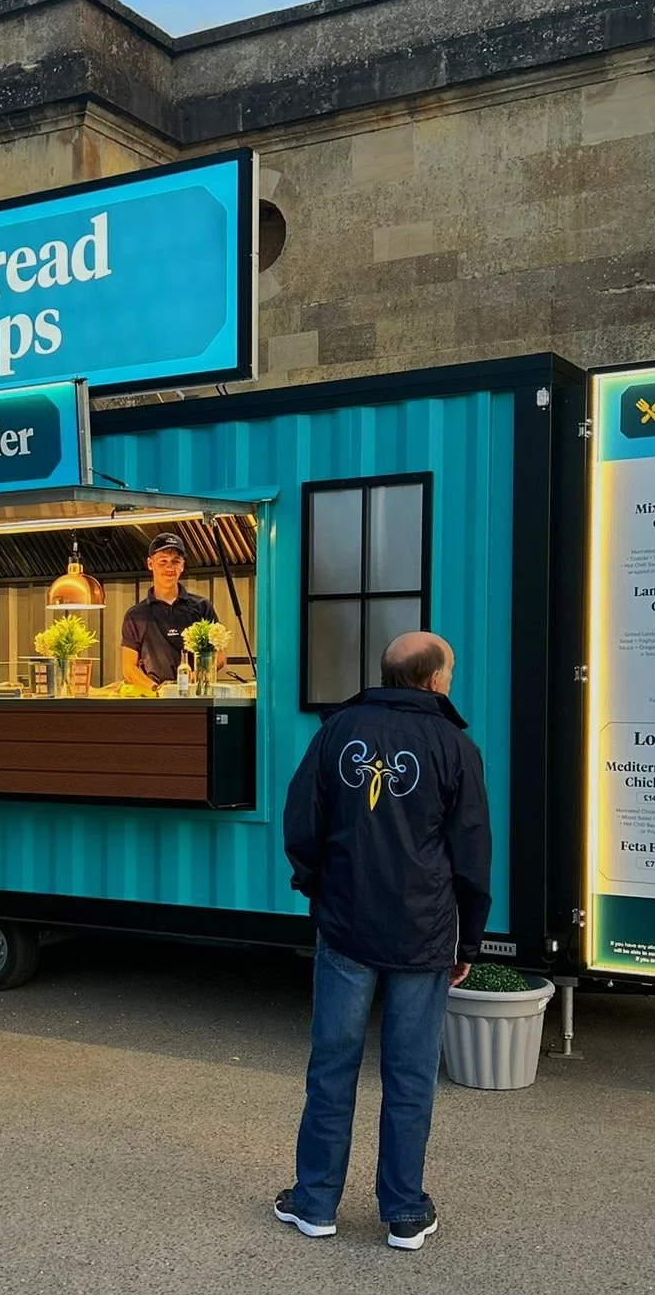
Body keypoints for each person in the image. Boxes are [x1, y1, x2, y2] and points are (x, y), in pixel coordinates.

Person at [275, 631, 492, 1250]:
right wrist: (468, 940)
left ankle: (315, 1203)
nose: (450, 682)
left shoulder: (338, 731)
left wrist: (316, 885)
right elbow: (471, 852)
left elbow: (302, 820)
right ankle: (403, 1211)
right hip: (423, 936)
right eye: (448, 672)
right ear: (430, 681)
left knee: (333, 1065)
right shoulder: (454, 746)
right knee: (410, 1074)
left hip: (345, 924)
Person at [119, 532, 225, 689]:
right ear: (150, 564)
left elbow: (220, 656)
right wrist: (157, 690)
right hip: (156, 701)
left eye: (175, 561)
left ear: (182, 565)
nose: (169, 567)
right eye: (163, 562)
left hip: (195, 696)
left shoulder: (202, 607)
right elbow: (129, 669)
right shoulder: (135, 615)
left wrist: (198, 674)